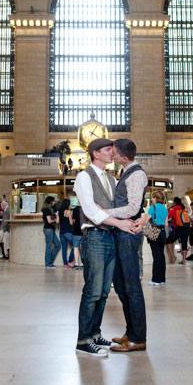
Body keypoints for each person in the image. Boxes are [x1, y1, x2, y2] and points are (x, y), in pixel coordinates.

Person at [73, 138, 137, 357]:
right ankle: (83, 340)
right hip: (94, 237)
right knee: (92, 290)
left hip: (110, 237)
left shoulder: (111, 179)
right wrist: (119, 222)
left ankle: (95, 334)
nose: (112, 153)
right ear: (95, 153)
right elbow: (91, 210)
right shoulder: (84, 176)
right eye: (108, 150)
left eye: (112, 150)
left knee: (102, 292)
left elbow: (115, 208)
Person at [103, 138, 149, 353]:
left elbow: (132, 208)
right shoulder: (126, 172)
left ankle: (138, 338)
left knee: (131, 285)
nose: (111, 155)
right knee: (121, 285)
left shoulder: (136, 174)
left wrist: (103, 213)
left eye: (114, 152)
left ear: (123, 155)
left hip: (128, 235)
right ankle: (131, 332)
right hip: (122, 233)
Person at [146, 191, 168, 285]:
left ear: (155, 198)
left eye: (152, 198)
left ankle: (155, 280)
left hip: (154, 231)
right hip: (162, 232)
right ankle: (162, 279)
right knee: (161, 256)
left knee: (156, 256)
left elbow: (146, 220)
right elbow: (166, 223)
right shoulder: (165, 209)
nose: (152, 199)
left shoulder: (152, 207)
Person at [165, 197, 191, 265]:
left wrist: (169, 208)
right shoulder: (183, 208)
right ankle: (184, 260)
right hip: (186, 227)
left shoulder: (173, 209)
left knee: (168, 241)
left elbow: (167, 217)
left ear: (175, 202)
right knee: (184, 243)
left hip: (178, 228)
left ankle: (173, 257)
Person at [41, 196, 62, 268]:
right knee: (48, 246)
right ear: (50, 202)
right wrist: (55, 220)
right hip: (48, 229)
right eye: (53, 201)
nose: (54, 202)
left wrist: (57, 216)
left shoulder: (50, 209)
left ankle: (50, 262)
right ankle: (48, 264)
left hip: (51, 229)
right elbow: (49, 221)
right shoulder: (46, 209)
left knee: (58, 244)